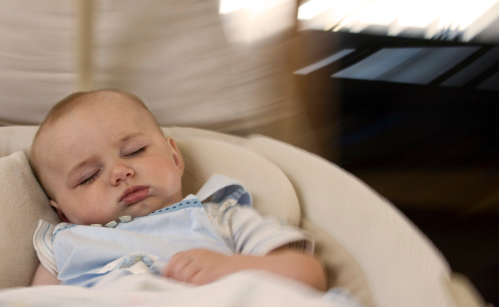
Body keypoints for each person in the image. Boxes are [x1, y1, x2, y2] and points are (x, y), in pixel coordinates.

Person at [29, 90, 326, 290]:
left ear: (174, 157)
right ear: (63, 212)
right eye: (88, 177)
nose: (120, 173)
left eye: (134, 151)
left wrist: (232, 267)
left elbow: (308, 275)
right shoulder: (66, 244)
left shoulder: (221, 217)